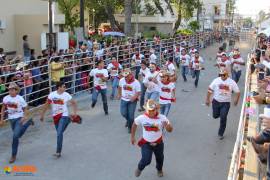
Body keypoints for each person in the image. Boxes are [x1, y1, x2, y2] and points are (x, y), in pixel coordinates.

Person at [131, 99, 173, 177]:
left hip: (159, 143)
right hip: (146, 143)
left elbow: (170, 130)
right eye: (149, 110)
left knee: (160, 158)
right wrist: (132, 137)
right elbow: (134, 124)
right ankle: (139, 168)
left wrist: (167, 126)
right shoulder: (142, 117)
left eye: (153, 110)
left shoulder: (162, 118)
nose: (151, 112)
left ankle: (159, 170)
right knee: (146, 160)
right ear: (146, 110)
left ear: (156, 109)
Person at [40, 81, 77, 158]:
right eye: (63, 86)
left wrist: (75, 113)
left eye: (65, 86)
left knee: (59, 133)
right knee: (59, 133)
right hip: (55, 116)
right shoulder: (52, 95)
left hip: (64, 115)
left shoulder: (66, 95)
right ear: (59, 87)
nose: (65, 88)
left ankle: (58, 152)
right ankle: (69, 120)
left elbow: (74, 103)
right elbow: (46, 105)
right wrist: (42, 115)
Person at [0, 82, 34, 163]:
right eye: (10, 90)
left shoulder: (20, 98)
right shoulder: (6, 98)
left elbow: (25, 108)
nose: (11, 91)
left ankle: (13, 155)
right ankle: (29, 122)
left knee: (15, 136)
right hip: (11, 119)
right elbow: (3, 108)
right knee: (18, 135)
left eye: (12, 90)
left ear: (16, 90)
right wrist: (1, 119)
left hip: (19, 118)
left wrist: (24, 116)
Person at [205, 69, 240, 139]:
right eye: (220, 75)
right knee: (215, 116)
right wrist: (207, 99)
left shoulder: (232, 82)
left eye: (223, 75)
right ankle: (219, 114)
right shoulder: (216, 80)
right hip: (216, 101)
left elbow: (238, 92)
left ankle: (221, 133)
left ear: (227, 75)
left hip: (226, 103)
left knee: (223, 117)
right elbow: (210, 89)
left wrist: (236, 100)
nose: (222, 76)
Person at [118, 68, 141, 133]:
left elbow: (138, 92)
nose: (126, 78)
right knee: (123, 113)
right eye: (125, 76)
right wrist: (119, 94)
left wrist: (134, 97)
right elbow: (119, 87)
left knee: (131, 115)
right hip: (124, 99)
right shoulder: (122, 80)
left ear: (131, 75)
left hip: (132, 101)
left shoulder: (136, 82)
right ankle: (128, 121)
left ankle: (130, 126)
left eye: (127, 76)